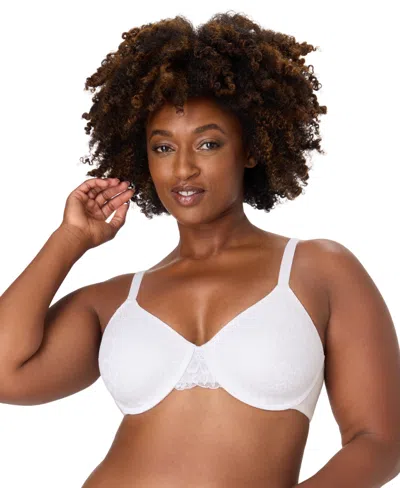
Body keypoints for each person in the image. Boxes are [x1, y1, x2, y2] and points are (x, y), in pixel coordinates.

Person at [1, 11, 400, 488]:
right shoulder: (114, 301)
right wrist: (68, 240)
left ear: (250, 149)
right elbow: (7, 373)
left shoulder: (320, 270)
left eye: (208, 144)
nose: (183, 169)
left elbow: (380, 442)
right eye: (163, 148)